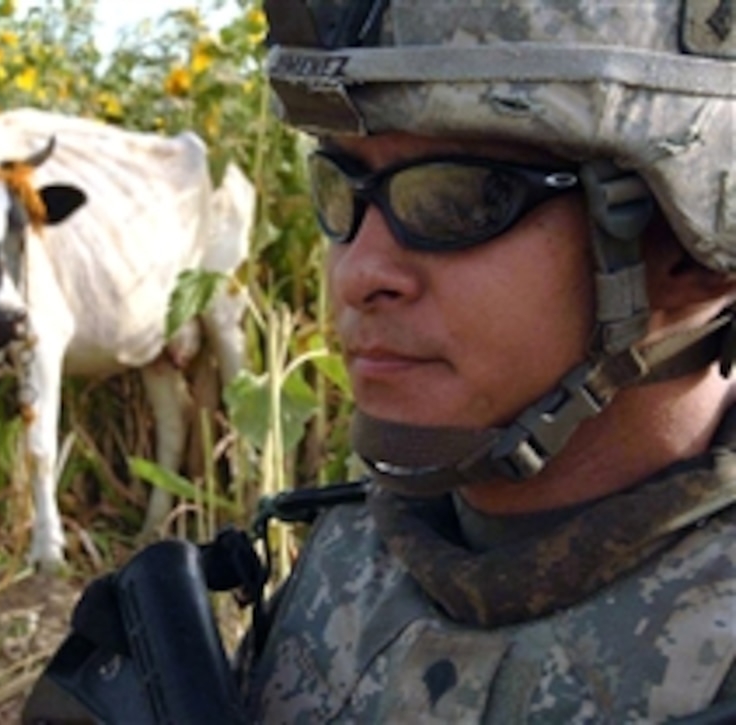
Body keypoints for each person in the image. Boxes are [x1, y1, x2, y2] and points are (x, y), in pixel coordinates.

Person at [238, 1, 736, 722]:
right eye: (341, 188)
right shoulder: (345, 565)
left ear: (695, 249)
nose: (359, 273)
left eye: (455, 199)